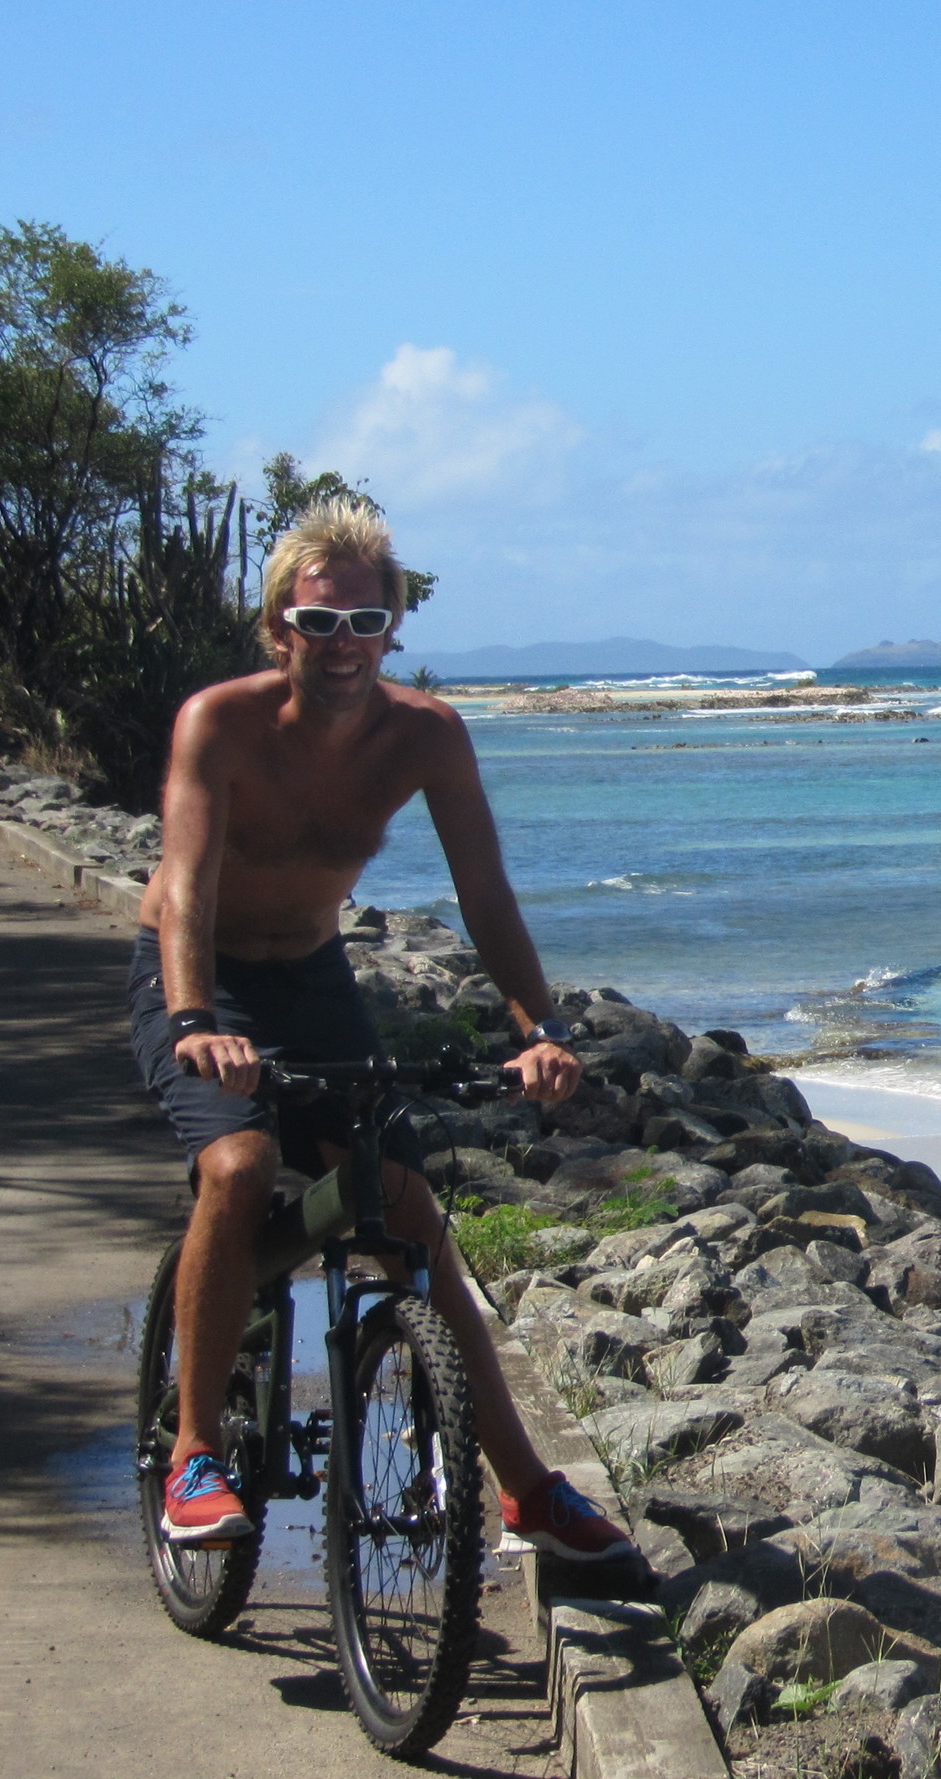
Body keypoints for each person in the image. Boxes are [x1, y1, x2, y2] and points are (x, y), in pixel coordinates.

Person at [126, 496, 632, 1563]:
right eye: (318, 625)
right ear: (278, 631)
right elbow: (186, 894)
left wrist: (538, 1025)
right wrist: (193, 1022)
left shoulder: (426, 736)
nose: (343, 645)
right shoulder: (219, 724)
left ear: (393, 628)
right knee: (238, 1164)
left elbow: (486, 896)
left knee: (406, 1207)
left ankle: (528, 1491)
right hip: (201, 971)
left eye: (365, 623)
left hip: (309, 974)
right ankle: (195, 1455)